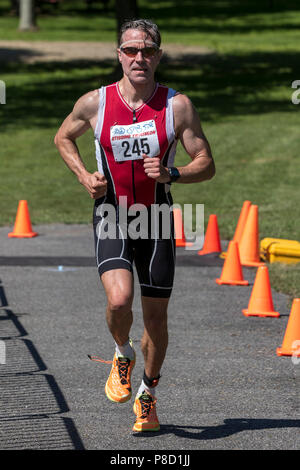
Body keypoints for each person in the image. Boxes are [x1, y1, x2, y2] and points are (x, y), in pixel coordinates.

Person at [54, 18, 215, 432]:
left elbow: (206, 163)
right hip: (113, 214)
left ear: (159, 56)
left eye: (147, 50)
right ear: (119, 55)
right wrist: (85, 177)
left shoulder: (177, 105)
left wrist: (172, 174)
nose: (139, 58)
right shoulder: (96, 102)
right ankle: (122, 352)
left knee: (157, 320)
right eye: (130, 50)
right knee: (119, 301)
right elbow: (62, 137)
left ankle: (147, 395)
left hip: (157, 218)